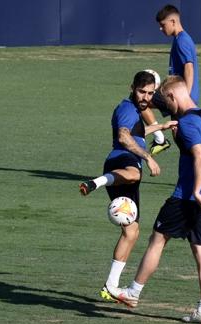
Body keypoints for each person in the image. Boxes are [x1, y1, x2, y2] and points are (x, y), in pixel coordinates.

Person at [108, 75, 201, 324]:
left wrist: (197, 191)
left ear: (172, 96)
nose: (165, 107)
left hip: (187, 197)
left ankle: (133, 292)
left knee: (157, 240)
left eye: (165, 101)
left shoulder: (189, 123)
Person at [79, 71, 177, 302]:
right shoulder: (126, 109)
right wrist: (148, 157)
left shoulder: (137, 110)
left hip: (125, 164)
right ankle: (97, 182)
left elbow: (138, 132)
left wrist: (160, 126)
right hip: (121, 161)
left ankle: (111, 286)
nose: (145, 97)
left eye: (150, 93)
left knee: (131, 232)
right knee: (133, 174)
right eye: (141, 91)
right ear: (132, 87)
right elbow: (124, 137)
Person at [142, 4, 200, 156]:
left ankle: (160, 139)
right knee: (178, 133)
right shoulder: (180, 39)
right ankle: (191, 161)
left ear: (173, 21)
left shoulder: (182, 41)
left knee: (141, 100)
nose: (161, 29)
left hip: (179, 97)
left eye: (163, 25)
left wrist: (184, 96)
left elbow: (189, 68)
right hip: (175, 95)